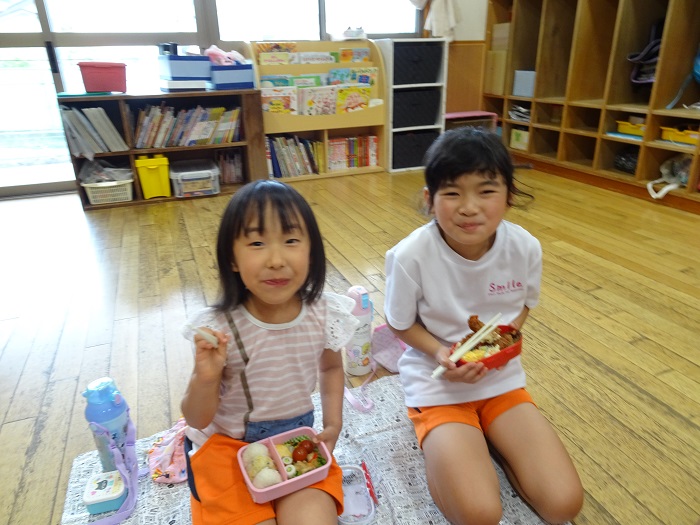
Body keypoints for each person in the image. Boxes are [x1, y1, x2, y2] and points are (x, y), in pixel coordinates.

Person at [384, 127, 584, 525]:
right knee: (479, 514)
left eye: (486, 190)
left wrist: (500, 345)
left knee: (564, 504)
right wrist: (440, 353)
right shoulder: (410, 255)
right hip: (438, 386)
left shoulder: (524, 247)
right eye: (452, 193)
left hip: (501, 382)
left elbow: (523, 305)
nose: (469, 207)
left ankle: (495, 448)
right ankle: (454, 448)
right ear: (429, 200)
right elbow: (399, 324)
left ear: (508, 195)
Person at [181, 179, 358, 525]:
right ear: (232, 258)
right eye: (257, 243)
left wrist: (333, 423)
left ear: (311, 251)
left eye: (291, 241)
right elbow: (196, 419)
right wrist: (205, 378)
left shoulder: (324, 312)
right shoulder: (219, 328)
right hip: (226, 448)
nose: (276, 260)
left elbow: (331, 369)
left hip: (295, 442)